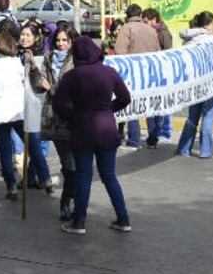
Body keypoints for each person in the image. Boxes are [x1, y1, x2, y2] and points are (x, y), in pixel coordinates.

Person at [53, 37, 131, 235]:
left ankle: (79, 222)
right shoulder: (109, 72)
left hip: (81, 130)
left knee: (84, 177)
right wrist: (107, 109)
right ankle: (123, 219)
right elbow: (125, 98)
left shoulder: (72, 76)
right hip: (106, 129)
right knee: (109, 176)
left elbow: (58, 103)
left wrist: (71, 116)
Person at [0, 32, 30, 201]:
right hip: (17, 110)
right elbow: (24, 81)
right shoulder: (15, 62)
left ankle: (11, 186)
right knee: (30, 142)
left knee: (4, 150)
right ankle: (39, 176)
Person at [40, 23, 78, 221]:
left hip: (71, 119)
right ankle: (71, 200)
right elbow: (40, 86)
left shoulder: (76, 61)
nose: (61, 44)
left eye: (65, 40)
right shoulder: (48, 59)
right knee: (67, 163)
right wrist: (34, 73)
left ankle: (67, 201)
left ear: (72, 42)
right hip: (53, 118)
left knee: (71, 164)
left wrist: (50, 88)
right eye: (58, 40)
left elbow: (70, 94)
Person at [114, 4, 161, 148]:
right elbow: (158, 52)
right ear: (140, 16)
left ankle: (133, 140)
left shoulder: (126, 29)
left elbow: (119, 52)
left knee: (133, 107)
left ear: (127, 16)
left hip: (132, 75)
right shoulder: (151, 30)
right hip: (149, 74)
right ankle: (153, 139)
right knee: (150, 107)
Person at [176, 12, 213, 159]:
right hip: (209, 83)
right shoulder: (210, 40)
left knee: (192, 117)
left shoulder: (188, 40)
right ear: (207, 25)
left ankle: (184, 149)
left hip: (193, 84)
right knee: (208, 116)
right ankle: (206, 150)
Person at [17, 23, 53, 193]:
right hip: (20, 104)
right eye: (22, 34)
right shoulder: (16, 54)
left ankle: (44, 177)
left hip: (36, 103)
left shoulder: (41, 57)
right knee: (33, 143)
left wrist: (32, 64)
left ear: (36, 38)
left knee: (35, 144)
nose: (24, 38)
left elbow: (40, 83)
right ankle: (31, 177)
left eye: (28, 35)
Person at [141, 7, 174, 145]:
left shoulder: (163, 33)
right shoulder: (150, 32)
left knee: (163, 105)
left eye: (146, 21)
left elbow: (167, 52)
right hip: (151, 73)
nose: (144, 24)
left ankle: (165, 133)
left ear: (154, 20)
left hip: (161, 73)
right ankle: (154, 134)